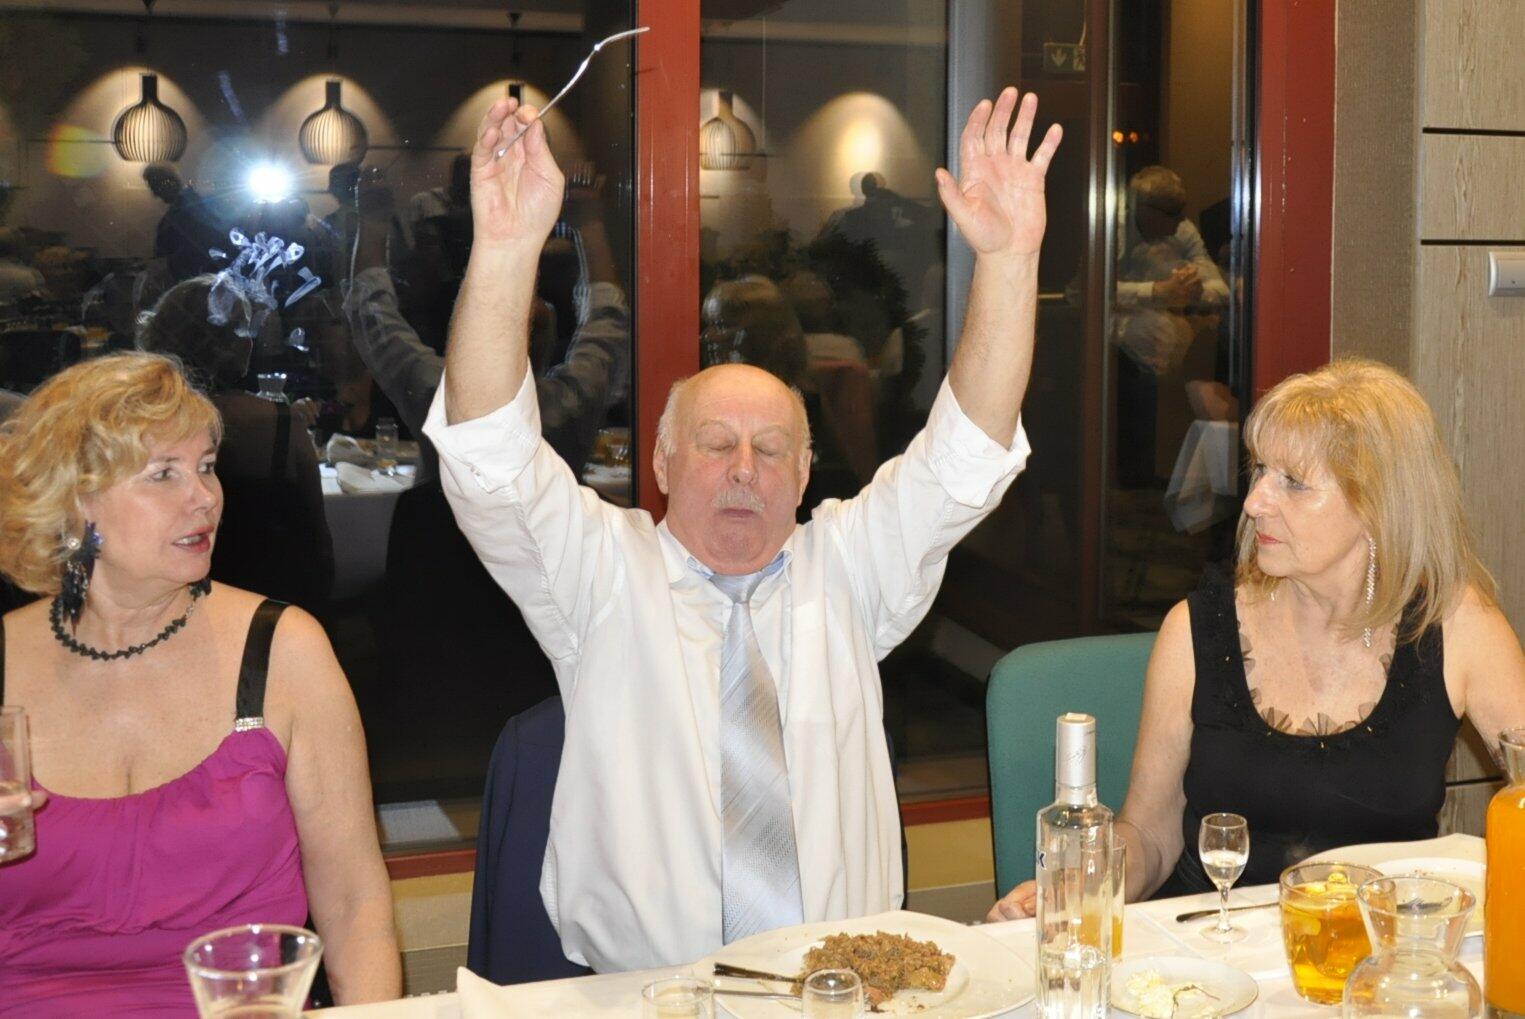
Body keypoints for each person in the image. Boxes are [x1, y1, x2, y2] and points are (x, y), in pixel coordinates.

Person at [426, 88, 1061, 971]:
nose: (742, 469)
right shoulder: (599, 572)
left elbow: (967, 453)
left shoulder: (849, 566)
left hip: (843, 990)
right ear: (662, 461)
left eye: (770, 450)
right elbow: (488, 455)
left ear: (802, 474)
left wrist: (1008, 258)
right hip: (645, 996)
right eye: (715, 443)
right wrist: (504, 246)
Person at [988, 357, 1525, 920]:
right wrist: (1079, 888)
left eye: (1293, 482)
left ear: (1378, 505)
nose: (1254, 502)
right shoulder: (1196, 629)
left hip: (1379, 953)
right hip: (1214, 945)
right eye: (1261, 471)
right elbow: (1149, 832)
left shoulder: (1457, 626)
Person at [0, 353, 399, 1016]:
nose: (206, 496)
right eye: (164, 473)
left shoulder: (282, 652)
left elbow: (356, 909)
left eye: (206, 466)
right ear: (73, 500)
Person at [136, 276, 335, 611]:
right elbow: (318, 544)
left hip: (169, 600)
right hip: (267, 601)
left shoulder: (140, 424)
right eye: (243, 331)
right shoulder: (277, 423)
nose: (250, 341)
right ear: (223, 342)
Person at [143, 164, 222, 282]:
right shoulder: (186, 204)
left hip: (192, 278)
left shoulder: (189, 207)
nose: (155, 194)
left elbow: (196, 245)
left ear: (166, 183)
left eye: (155, 187)